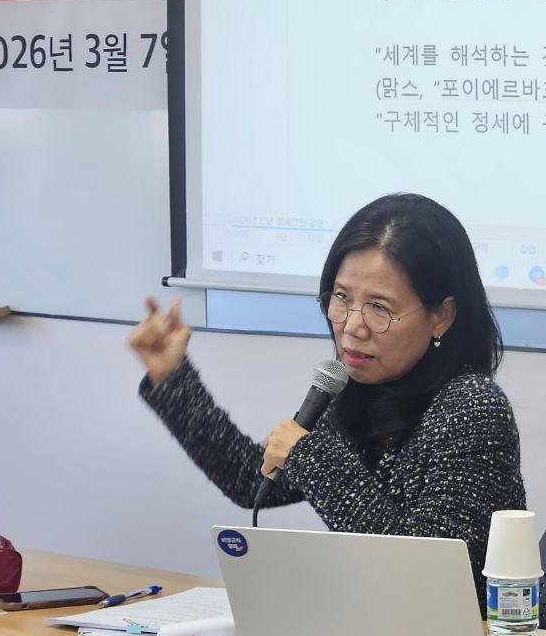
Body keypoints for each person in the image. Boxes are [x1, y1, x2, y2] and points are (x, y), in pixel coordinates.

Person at [130, 192, 525, 604]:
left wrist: (309, 456)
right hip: (372, 627)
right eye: (341, 299)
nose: (352, 327)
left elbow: (425, 575)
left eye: (378, 307)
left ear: (441, 315)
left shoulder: (472, 409)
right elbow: (253, 480)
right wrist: (171, 377)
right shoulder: (360, 391)